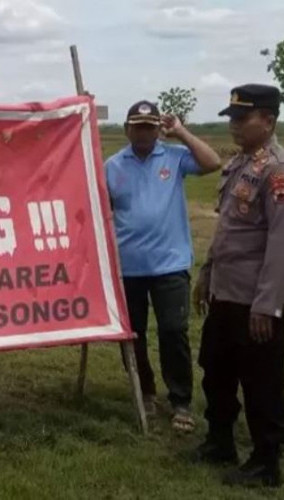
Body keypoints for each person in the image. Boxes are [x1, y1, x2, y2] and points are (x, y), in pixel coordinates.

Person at [105, 100, 221, 432]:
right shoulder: (111, 166)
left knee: (173, 331)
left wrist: (182, 131)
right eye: (138, 127)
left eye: (150, 127)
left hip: (170, 264)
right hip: (128, 267)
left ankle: (181, 400)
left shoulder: (174, 156)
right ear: (127, 129)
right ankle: (144, 392)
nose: (144, 133)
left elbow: (212, 162)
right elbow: (101, 209)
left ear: (159, 129)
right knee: (133, 335)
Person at [193, 84, 284, 487]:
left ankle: (266, 460)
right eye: (230, 118)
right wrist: (207, 275)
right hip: (225, 292)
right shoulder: (240, 164)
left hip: (255, 300)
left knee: (261, 382)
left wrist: (268, 305)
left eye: (241, 119)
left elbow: (280, 243)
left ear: (268, 120)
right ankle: (220, 441)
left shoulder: (276, 170)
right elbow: (228, 229)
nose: (233, 126)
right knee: (216, 371)